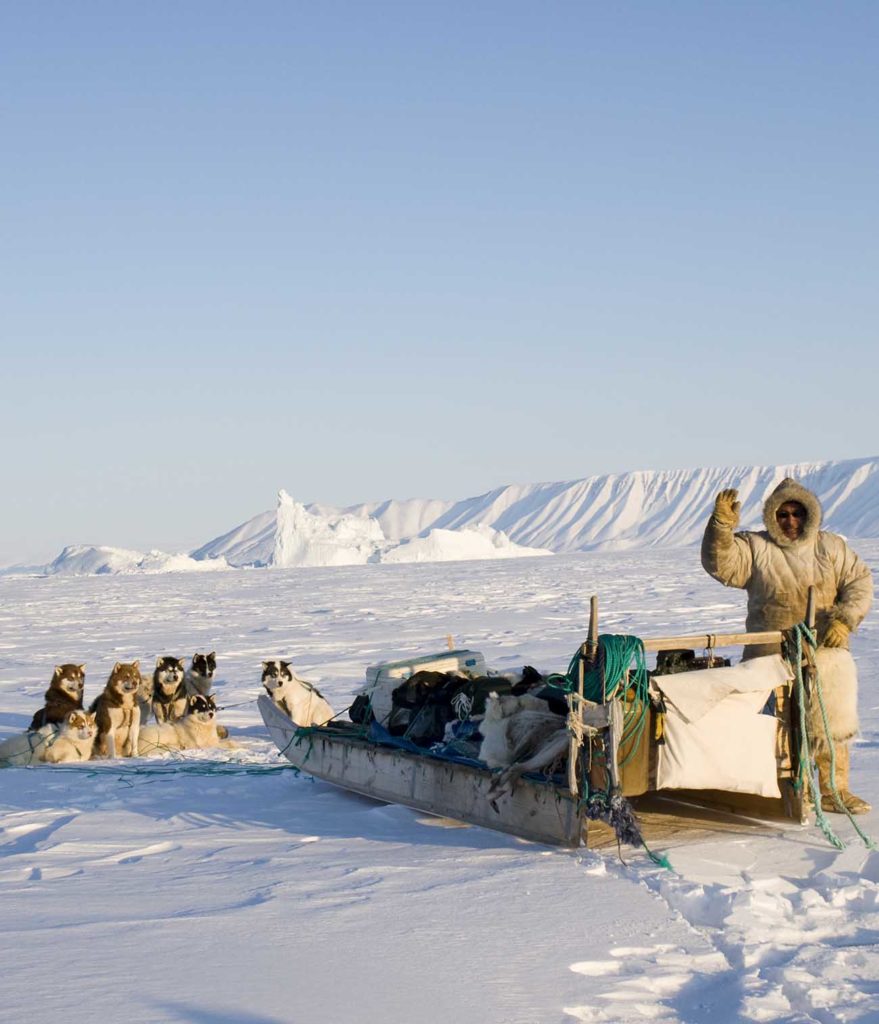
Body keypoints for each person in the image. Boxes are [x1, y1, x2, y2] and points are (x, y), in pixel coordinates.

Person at [702, 477, 873, 814]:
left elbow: (859, 582)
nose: (791, 521)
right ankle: (788, 791)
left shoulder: (832, 548)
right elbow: (722, 565)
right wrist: (721, 528)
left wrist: (844, 619)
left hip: (825, 651)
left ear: (809, 515)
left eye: (797, 513)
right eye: (783, 514)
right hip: (770, 651)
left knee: (829, 725)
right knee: (776, 727)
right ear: (772, 517)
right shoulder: (754, 547)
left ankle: (834, 791)